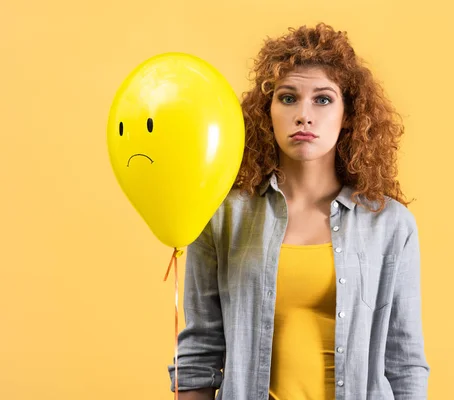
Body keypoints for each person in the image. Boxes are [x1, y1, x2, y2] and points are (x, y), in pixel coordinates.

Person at [168, 23, 430, 399]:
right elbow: (199, 354)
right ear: (266, 111)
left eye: (322, 99)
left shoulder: (390, 225)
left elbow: (404, 363)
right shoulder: (223, 218)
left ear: (349, 115)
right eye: (288, 97)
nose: (304, 115)